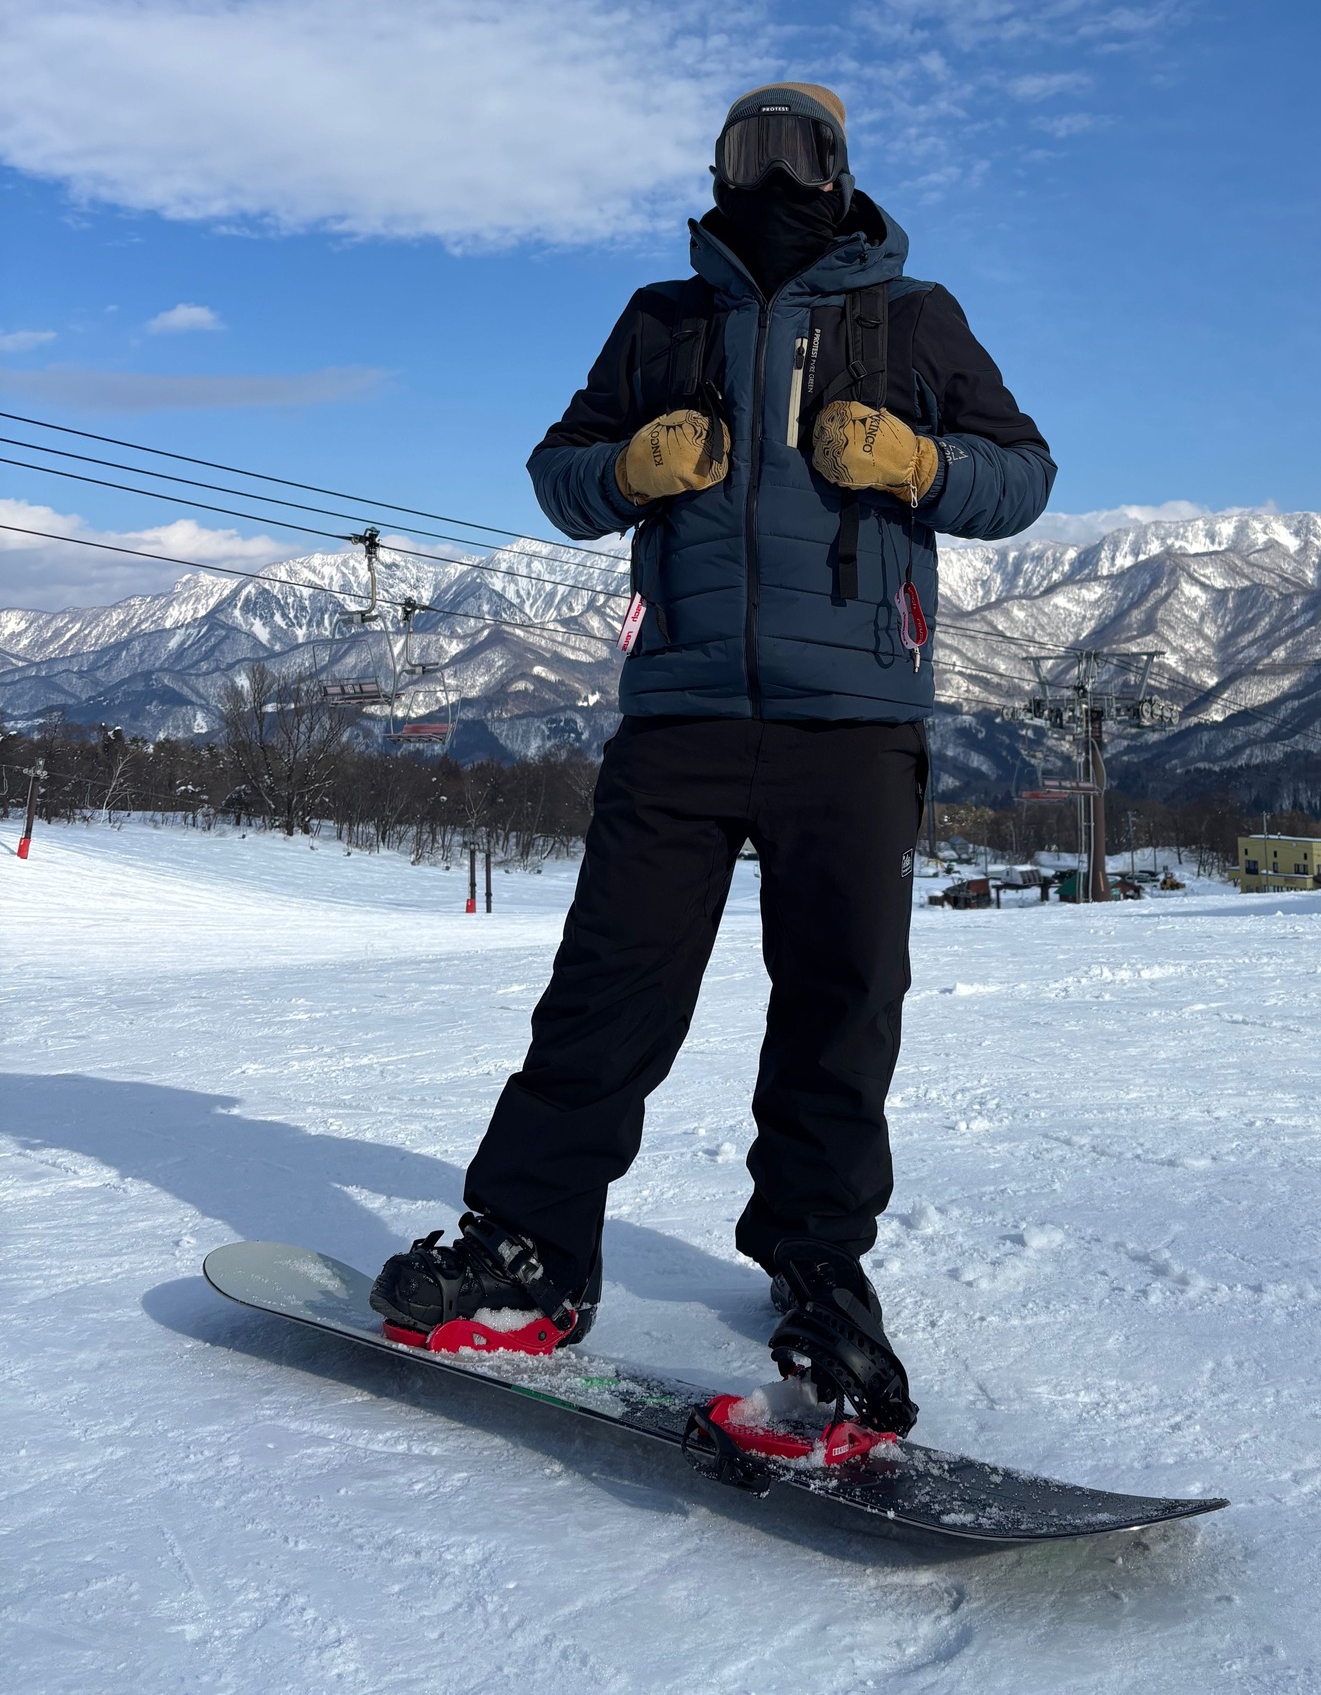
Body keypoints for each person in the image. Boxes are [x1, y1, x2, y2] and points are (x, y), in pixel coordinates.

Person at [373, 83, 1054, 1432]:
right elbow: (557, 473)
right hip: (680, 712)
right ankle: (530, 1245)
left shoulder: (911, 318)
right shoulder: (664, 319)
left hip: (854, 723)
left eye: (796, 148)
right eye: (750, 148)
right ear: (717, 166)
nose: (772, 172)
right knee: (607, 991)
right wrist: (631, 467)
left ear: (841, 166)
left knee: (839, 1003)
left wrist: (922, 463)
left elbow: (1022, 472)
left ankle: (818, 1263)